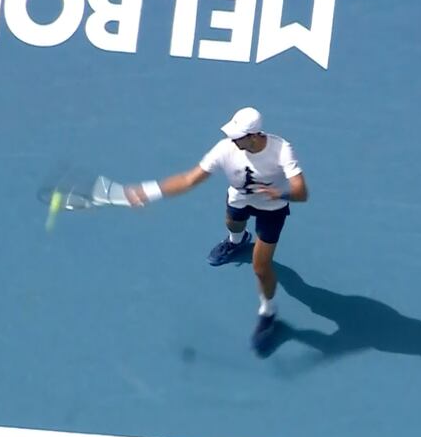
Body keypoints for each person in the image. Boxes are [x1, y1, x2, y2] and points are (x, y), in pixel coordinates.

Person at [124, 106, 309, 352]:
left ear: (254, 136)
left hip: (272, 210)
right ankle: (237, 241)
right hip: (239, 198)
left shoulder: (282, 150)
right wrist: (149, 191)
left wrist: (279, 193)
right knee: (232, 224)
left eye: (238, 136)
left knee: (261, 268)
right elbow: (189, 179)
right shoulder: (225, 148)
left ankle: (268, 311)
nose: (232, 140)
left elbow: (301, 192)